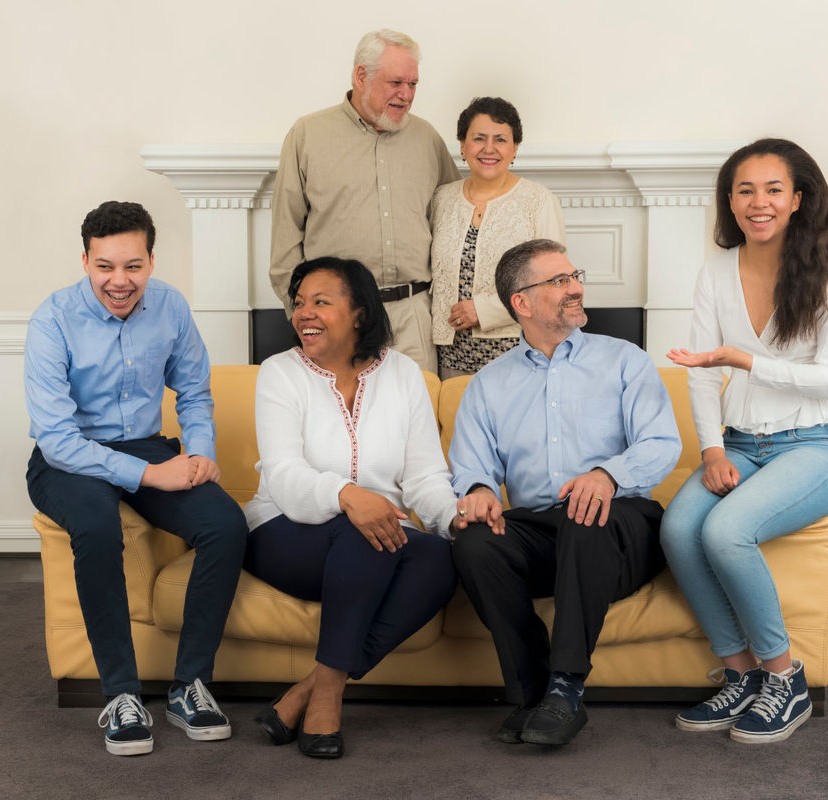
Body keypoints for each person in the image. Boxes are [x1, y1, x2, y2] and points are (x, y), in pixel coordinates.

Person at [24, 201, 247, 756]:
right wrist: (150, 475)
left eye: (133, 266)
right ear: (85, 261)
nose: (119, 281)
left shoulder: (170, 306)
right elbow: (57, 439)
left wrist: (198, 454)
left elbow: (194, 392)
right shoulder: (52, 320)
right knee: (97, 526)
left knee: (225, 522)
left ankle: (189, 685)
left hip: (145, 444)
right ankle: (121, 695)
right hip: (68, 456)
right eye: (105, 266)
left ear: (151, 260)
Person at [661, 138, 828, 744]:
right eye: (745, 190)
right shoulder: (716, 271)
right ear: (730, 201)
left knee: (725, 530)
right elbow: (700, 371)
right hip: (741, 445)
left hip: (818, 446)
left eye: (774, 189)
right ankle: (740, 673)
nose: (759, 202)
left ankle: (785, 676)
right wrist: (714, 450)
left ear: (798, 199)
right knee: (676, 529)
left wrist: (745, 360)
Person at [449, 239, 681, 746]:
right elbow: (470, 466)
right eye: (558, 281)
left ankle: (566, 685)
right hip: (542, 531)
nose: (575, 288)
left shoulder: (625, 361)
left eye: (574, 276)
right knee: (474, 541)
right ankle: (534, 693)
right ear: (521, 303)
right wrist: (479, 490)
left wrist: (607, 475)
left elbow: (662, 443)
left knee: (586, 510)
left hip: (621, 525)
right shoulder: (487, 385)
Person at [244, 257, 459, 759]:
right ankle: (327, 705)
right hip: (282, 530)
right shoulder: (280, 373)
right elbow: (284, 475)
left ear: (359, 312)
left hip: (374, 537)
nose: (304, 314)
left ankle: (312, 687)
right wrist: (347, 495)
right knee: (366, 533)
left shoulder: (404, 373)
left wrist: (454, 518)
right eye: (299, 304)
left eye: (321, 301)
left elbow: (425, 476)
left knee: (440, 558)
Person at [269, 29, 461, 373]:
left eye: (413, 84)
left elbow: (454, 227)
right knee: (339, 423)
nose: (406, 95)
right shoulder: (307, 136)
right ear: (361, 76)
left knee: (416, 422)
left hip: (414, 315)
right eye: (396, 82)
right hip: (339, 316)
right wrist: (305, 316)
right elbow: (285, 240)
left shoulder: (427, 139)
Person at [430, 96, 566, 379]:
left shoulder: (538, 201)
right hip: (449, 357)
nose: (488, 149)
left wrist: (483, 310)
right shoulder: (442, 199)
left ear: (514, 148)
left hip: (518, 353)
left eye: (500, 140)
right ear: (463, 145)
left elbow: (554, 284)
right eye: (478, 138)